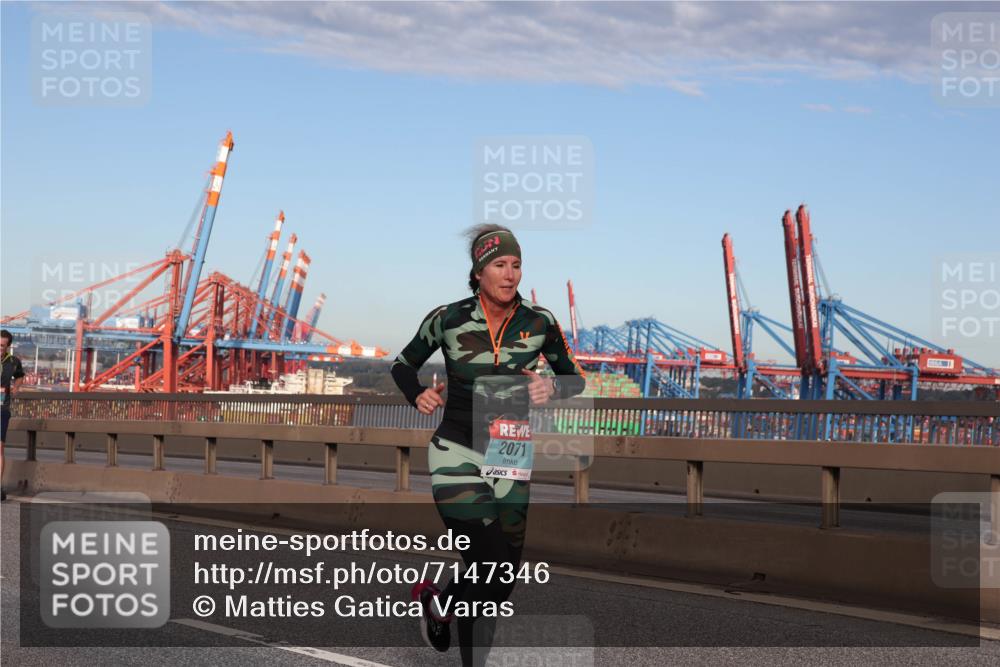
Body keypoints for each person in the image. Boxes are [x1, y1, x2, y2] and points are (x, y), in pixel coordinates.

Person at [391, 225, 586, 665]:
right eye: (500, 264)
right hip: (456, 451)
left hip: (510, 453)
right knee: (489, 561)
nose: (510, 274)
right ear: (478, 272)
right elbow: (402, 364)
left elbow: (575, 379)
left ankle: (440, 606)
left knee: (502, 576)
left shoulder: (540, 322)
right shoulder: (448, 318)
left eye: (516, 265)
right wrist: (417, 393)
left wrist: (552, 388)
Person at [1, 329, 26, 502]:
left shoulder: (13, 361)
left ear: (8, 346)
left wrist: (16, 387)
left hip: (1, 408)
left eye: (2, 345)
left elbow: (20, 376)